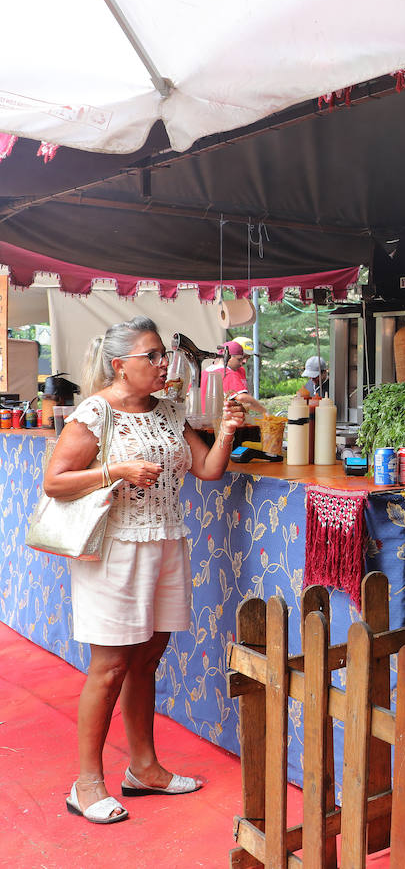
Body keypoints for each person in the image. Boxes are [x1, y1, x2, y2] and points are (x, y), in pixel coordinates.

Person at [43, 317, 244, 824]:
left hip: (167, 543)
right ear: (120, 365)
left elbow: (209, 470)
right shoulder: (95, 413)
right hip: (114, 550)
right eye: (151, 356)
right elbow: (55, 482)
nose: (163, 365)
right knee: (110, 667)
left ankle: (145, 768)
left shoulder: (170, 411)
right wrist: (116, 470)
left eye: (163, 356)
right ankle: (85, 783)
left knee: (147, 661)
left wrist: (228, 429)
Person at [199, 340, 250, 407]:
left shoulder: (204, 373)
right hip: (219, 416)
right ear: (228, 357)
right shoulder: (227, 373)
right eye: (239, 359)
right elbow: (242, 398)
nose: (241, 363)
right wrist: (263, 410)